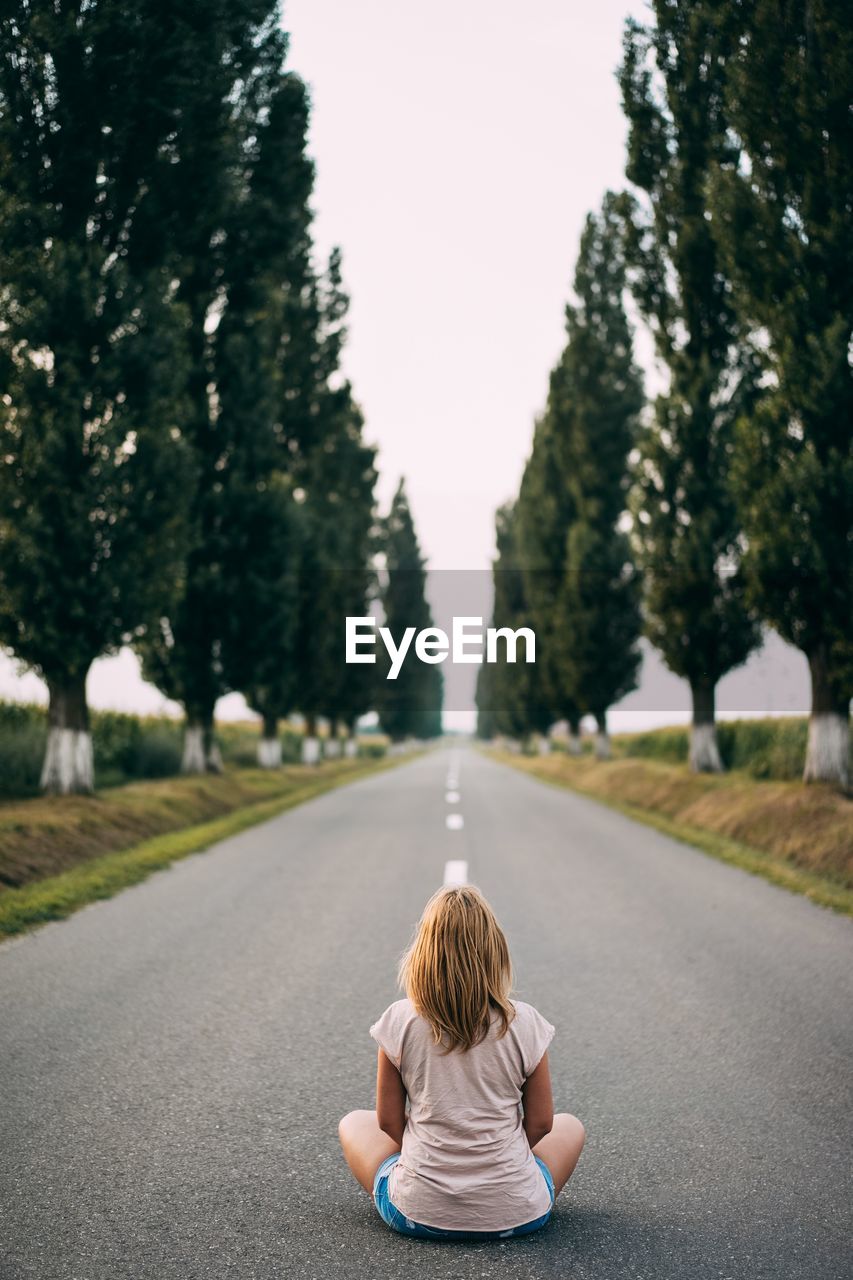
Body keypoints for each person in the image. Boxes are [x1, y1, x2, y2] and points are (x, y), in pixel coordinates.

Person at [338, 884, 585, 1240]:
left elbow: (389, 1123)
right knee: (569, 1125)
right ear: (494, 952)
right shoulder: (525, 1022)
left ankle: (422, 1183)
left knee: (353, 1122)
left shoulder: (400, 1020)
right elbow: (542, 1124)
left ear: (423, 951)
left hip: (415, 1213)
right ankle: (505, 1192)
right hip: (519, 1212)